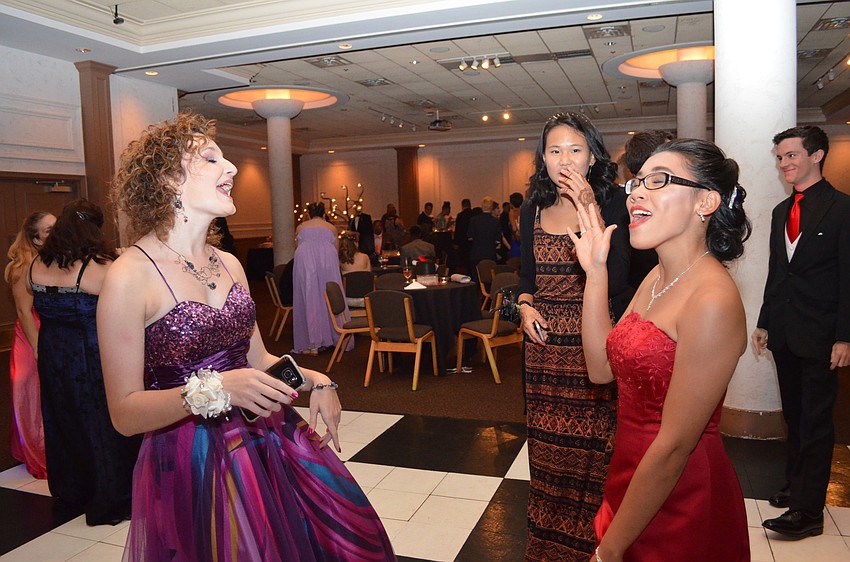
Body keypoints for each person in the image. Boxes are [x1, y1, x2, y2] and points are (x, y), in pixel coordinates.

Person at [99, 113, 395, 561]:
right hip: (191, 457)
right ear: (168, 180)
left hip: (263, 437)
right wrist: (216, 390)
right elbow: (123, 412)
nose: (232, 167)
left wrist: (318, 379)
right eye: (211, 158)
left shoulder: (229, 264)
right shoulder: (129, 276)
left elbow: (258, 359)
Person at [574, 139, 751, 561]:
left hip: (681, 490)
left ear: (705, 201)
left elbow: (675, 444)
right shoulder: (656, 276)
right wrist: (596, 271)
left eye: (657, 181)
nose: (636, 192)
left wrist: (609, 550)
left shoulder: (712, 299)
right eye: (637, 182)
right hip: (631, 473)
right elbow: (600, 370)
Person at [516, 112, 630, 561]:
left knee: (595, 454)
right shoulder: (532, 207)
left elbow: (618, 276)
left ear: (593, 155)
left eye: (575, 149)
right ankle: (547, 548)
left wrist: (589, 208)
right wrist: (524, 306)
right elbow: (526, 276)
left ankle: (597, 547)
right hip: (543, 351)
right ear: (543, 158)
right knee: (547, 454)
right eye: (554, 150)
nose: (564, 159)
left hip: (593, 343)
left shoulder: (616, 202)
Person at [754, 125, 850, 539]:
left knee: (815, 421)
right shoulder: (780, 212)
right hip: (785, 331)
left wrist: (845, 336)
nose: (784, 163)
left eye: (791, 155)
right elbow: (778, 273)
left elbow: (848, 278)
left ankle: (808, 512)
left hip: (823, 335)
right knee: (795, 416)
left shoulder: (843, 209)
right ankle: (796, 486)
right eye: (780, 157)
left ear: (817, 155)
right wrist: (763, 321)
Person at [31, 199, 142, 525]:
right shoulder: (98, 268)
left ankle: (74, 489)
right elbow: (130, 302)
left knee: (63, 421)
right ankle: (112, 494)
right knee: (103, 426)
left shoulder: (37, 263)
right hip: (89, 356)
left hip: (52, 355)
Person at [4, 211, 55, 479]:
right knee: (32, 396)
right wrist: (37, 347)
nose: (56, 233)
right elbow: (24, 312)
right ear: (35, 239)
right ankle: (39, 455)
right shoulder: (23, 266)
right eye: (49, 230)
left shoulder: (49, 261)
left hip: (47, 332)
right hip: (30, 336)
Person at [293, 202, 351, 355]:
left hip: (305, 260)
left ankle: (312, 341)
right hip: (327, 259)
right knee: (330, 295)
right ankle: (334, 336)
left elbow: (297, 246)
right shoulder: (330, 228)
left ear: (309, 213)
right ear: (324, 213)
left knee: (309, 296)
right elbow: (336, 249)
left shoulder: (301, 227)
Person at [467, 196, 502, 282]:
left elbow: (469, 237)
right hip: (490, 254)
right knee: (490, 278)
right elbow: (498, 240)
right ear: (491, 207)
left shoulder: (473, 220)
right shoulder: (495, 222)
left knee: (476, 279)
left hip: (476, 254)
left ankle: (476, 294)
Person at [452, 198, 473, 272]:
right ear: (470, 205)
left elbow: (458, 230)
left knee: (464, 261)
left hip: (463, 242)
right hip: (472, 242)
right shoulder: (474, 214)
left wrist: (456, 242)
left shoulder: (460, 215)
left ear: (462, 206)